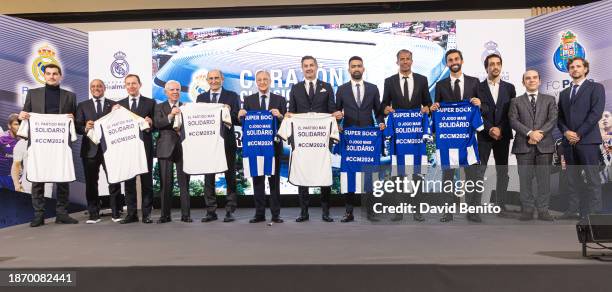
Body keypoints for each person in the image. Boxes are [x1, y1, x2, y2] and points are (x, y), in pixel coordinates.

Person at [18, 64, 78, 227]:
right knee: (38, 178)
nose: (52, 76)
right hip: (39, 144)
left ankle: (62, 213)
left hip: (60, 144)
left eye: (55, 74)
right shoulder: (32, 94)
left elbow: (76, 122)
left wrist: (73, 119)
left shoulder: (70, 96)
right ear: (44, 76)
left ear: (60, 76)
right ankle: (39, 215)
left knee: (63, 178)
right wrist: (21, 116)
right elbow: (24, 116)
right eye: (49, 74)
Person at [431, 49, 483, 223]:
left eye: (456, 59)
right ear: (447, 63)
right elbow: (437, 111)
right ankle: (448, 211)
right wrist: (434, 109)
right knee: (447, 177)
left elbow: (484, 110)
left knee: (472, 177)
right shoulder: (440, 85)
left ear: (462, 60)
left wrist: (480, 104)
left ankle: (473, 211)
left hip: (468, 140)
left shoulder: (474, 82)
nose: (454, 61)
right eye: (450, 60)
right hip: (447, 140)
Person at [287, 56, 342, 222]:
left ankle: (326, 212)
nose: (309, 68)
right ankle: (304, 212)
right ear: (302, 68)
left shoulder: (327, 87)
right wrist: (289, 116)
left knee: (324, 173)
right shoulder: (295, 88)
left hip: (321, 140)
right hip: (303, 140)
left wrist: (336, 116)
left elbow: (332, 110)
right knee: (302, 173)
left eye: (311, 65)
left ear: (316, 67)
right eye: (306, 66)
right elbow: (292, 112)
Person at [381, 49, 432, 222]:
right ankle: (399, 210)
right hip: (399, 136)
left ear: (412, 61)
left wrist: (426, 109)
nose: (404, 62)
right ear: (397, 62)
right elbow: (383, 104)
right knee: (399, 173)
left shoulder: (422, 80)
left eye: (407, 59)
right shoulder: (389, 81)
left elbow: (428, 104)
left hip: (416, 135)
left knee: (417, 172)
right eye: (401, 59)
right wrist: (386, 109)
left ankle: (418, 210)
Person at [335, 56, 384, 223]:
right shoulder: (341, 89)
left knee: (369, 175)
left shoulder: (373, 88)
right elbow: (336, 111)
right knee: (349, 173)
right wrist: (337, 122)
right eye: (353, 66)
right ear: (349, 70)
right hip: (349, 138)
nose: (356, 68)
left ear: (363, 69)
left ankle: (371, 211)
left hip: (369, 138)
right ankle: (349, 212)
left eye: (359, 66)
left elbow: (378, 111)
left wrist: (382, 122)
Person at [557, 57, 606, 221]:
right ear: (569, 71)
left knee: (592, 178)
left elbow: (595, 114)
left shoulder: (596, 88)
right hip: (568, 142)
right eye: (571, 67)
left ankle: (594, 212)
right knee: (572, 178)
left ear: (585, 69)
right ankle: (573, 210)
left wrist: (578, 134)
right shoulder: (563, 93)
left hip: (588, 141)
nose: (575, 69)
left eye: (578, 66)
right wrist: (565, 132)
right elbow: (560, 118)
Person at [508, 69, 557, 221]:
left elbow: (553, 119)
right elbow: (513, 121)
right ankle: (527, 210)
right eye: (528, 78)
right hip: (523, 145)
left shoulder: (550, 99)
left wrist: (539, 134)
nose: (531, 80)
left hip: (545, 145)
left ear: (540, 81)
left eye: (535, 77)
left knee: (544, 180)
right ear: (523, 82)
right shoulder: (515, 101)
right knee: (525, 179)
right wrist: (530, 133)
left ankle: (543, 210)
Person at [239, 71, 286, 224]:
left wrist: (280, 116)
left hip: (273, 148)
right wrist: (241, 115)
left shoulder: (280, 100)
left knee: (274, 181)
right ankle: (259, 214)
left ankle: (276, 214)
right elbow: (244, 124)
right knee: (257, 180)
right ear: (256, 82)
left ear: (270, 81)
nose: (262, 82)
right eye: (259, 80)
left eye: (265, 79)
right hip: (255, 147)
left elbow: (285, 123)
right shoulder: (248, 100)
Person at [195, 69, 240, 223]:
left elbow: (236, 119)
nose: (213, 81)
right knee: (209, 178)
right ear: (207, 80)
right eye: (211, 78)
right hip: (208, 144)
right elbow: (199, 120)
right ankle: (210, 211)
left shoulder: (232, 96)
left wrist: (227, 111)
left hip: (227, 142)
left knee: (230, 177)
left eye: (216, 78)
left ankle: (230, 211)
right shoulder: (201, 97)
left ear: (222, 79)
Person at [75, 79, 122, 224]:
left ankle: (116, 212)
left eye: (99, 86)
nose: (96, 88)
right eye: (93, 86)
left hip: (110, 149)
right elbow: (77, 127)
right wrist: (85, 127)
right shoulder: (82, 105)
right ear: (90, 89)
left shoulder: (114, 105)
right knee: (91, 183)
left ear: (104, 88)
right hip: (90, 150)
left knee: (114, 181)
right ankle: (93, 214)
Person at [477, 54, 516, 215]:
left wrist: (500, 128)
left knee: (502, 171)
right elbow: (475, 113)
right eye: (491, 64)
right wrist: (490, 129)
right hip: (484, 135)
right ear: (486, 67)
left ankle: (501, 205)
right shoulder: (477, 88)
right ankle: (476, 206)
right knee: (479, 171)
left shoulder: (510, 87)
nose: (495, 67)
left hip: (503, 135)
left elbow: (512, 113)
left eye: (498, 63)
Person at [117, 74, 156, 224]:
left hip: (145, 147)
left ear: (140, 85)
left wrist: (151, 122)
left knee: (147, 182)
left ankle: (146, 214)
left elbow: (156, 125)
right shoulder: (118, 105)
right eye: (128, 84)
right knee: (129, 183)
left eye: (134, 83)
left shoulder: (150, 103)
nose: (131, 86)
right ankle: (131, 214)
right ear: (125, 86)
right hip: (127, 149)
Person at [0, 114, 20, 190]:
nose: (19, 127)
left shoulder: (24, 141)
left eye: (20, 124)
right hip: (1, 176)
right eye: (16, 124)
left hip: (14, 177)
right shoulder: (2, 138)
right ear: (9, 126)